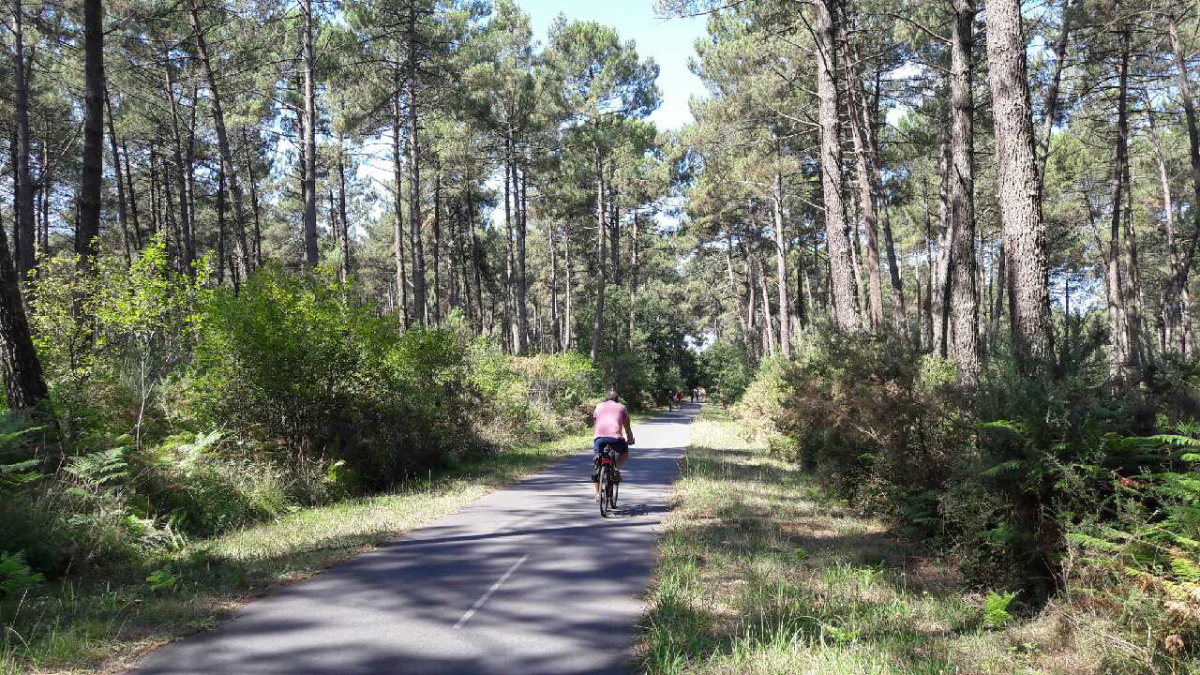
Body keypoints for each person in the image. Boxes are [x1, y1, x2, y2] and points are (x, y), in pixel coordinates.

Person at [592, 389, 634, 501]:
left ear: (605, 399)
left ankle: (597, 494)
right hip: (615, 439)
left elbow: (596, 424)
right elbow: (627, 427)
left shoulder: (598, 406)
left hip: (599, 439)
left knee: (597, 464)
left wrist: (596, 437)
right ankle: (616, 469)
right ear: (617, 399)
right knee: (625, 452)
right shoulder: (622, 407)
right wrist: (630, 439)